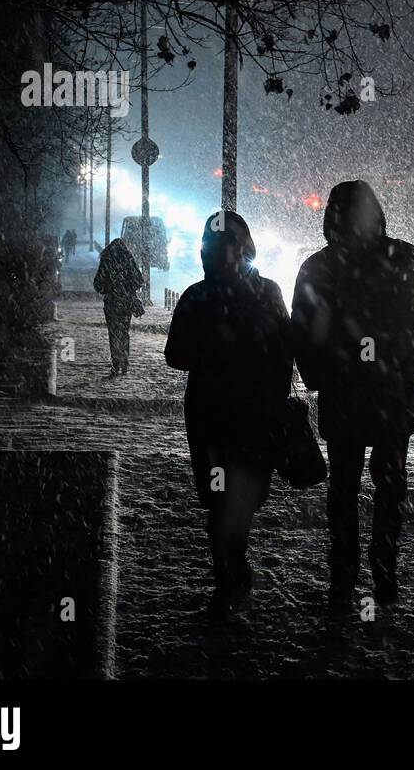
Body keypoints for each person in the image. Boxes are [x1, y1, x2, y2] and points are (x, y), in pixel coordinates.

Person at [292, 180, 414, 606]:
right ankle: (383, 571)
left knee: (344, 489)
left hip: (346, 395)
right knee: (389, 487)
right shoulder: (404, 258)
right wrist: (409, 366)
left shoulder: (319, 268)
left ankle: (345, 576)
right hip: (392, 395)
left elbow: (303, 332)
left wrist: (322, 373)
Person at [164, 211, 292, 614]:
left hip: (224, 416)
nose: (218, 255)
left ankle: (230, 567)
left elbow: (176, 354)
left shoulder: (200, 296)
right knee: (229, 498)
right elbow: (176, 354)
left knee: (233, 497)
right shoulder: (261, 293)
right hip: (230, 418)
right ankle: (230, 569)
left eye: (224, 247)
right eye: (214, 247)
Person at [93, 238, 143, 376]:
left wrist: (109, 288)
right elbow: (139, 280)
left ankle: (116, 363)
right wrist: (127, 287)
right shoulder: (128, 259)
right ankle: (124, 359)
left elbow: (98, 283)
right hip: (126, 302)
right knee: (124, 331)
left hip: (112, 303)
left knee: (113, 332)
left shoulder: (107, 260)